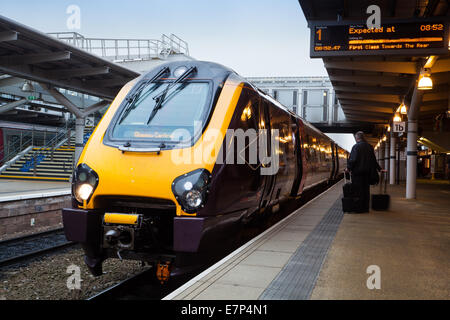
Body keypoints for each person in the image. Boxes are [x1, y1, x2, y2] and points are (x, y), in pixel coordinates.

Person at [345, 131, 382, 213]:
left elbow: (353, 160)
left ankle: (359, 208)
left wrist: (348, 168)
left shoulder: (356, 147)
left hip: (357, 174)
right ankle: (366, 208)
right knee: (366, 190)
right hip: (367, 174)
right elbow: (373, 160)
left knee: (358, 191)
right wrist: (379, 169)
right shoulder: (370, 147)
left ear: (357, 138)